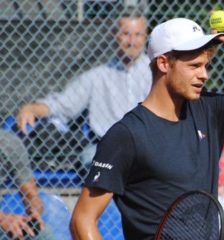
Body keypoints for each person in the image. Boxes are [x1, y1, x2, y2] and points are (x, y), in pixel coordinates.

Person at [70, 15, 224, 239]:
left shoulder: (210, 110)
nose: (204, 74)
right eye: (194, 66)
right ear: (163, 63)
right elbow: (82, 220)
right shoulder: (127, 135)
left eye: (205, 65)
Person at [15, 12, 152, 170]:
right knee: (90, 157)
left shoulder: (157, 73)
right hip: (109, 148)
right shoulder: (96, 77)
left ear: (146, 37)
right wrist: (30, 108)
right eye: (126, 34)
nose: (132, 41)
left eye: (138, 34)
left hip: (149, 145)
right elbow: (63, 105)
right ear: (115, 35)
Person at [0, 130, 54, 239]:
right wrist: (2, 219)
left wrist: (34, 212)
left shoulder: (9, 143)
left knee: (43, 233)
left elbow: (31, 194)